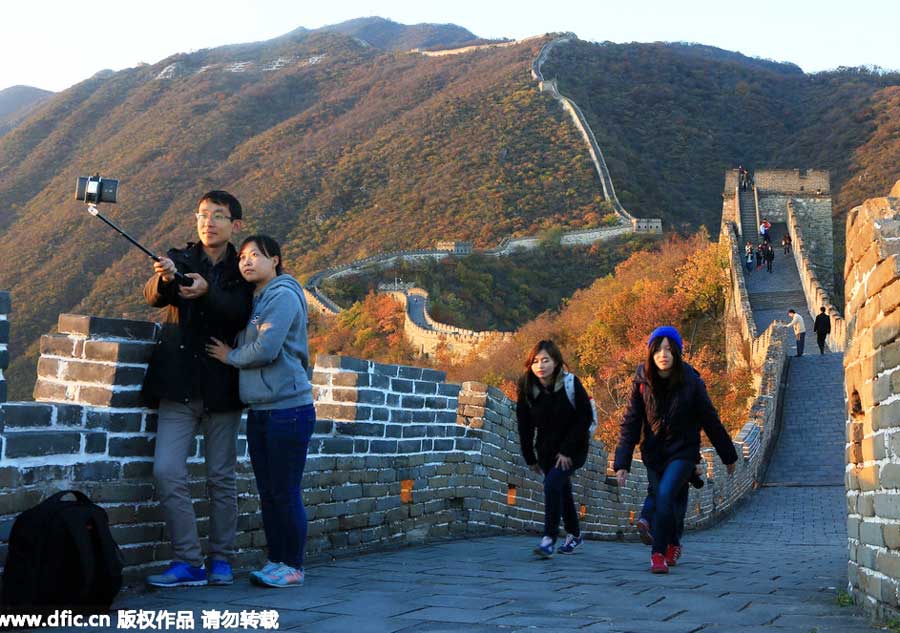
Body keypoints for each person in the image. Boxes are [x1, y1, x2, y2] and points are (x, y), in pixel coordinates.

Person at [143, 191, 253, 588]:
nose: (209, 222)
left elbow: (240, 311)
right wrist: (164, 277)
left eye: (219, 216)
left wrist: (209, 293)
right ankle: (188, 560)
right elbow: (155, 299)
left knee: (221, 477)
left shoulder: (243, 268)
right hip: (179, 382)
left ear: (234, 225)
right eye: (203, 215)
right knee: (167, 470)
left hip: (223, 386)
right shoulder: (181, 257)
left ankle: (221, 557)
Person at [207, 235, 314, 588]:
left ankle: (293, 565)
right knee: (268, 491)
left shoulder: (282, 296)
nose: (247, 261)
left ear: (276, 261)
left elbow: (266, 348)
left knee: (285, 490)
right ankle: (276, 559)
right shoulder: (259, 299)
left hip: (289, 408)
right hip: (262, 410)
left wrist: (230, 357)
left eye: (256, 255)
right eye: (242, 256)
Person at [614, 326, 737, 574]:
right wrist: (622, 463)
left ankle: (657, 553)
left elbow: (710, 420)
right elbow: (631, 422)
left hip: (683, 453)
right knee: (666, 498)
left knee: (665, 494)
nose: (663, 354)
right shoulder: (641, 382)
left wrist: (728, 455)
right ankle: (672, 543)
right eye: (658, 349)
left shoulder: (691, 381)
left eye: (669, 350)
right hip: (653, 453)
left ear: (677, 353)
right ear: (651, 353)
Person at [516, 340, 593, 558]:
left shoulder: (570, 383)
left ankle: (548, 538)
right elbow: (524, 425)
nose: (540, 365)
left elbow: (584, 418)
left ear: (556, 361)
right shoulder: (527, 387)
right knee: (561, 488)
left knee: (552, 484)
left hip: (574, 448)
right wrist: (530, 457)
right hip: (547, 451)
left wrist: (567, 451)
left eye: (546, 360)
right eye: (535, 361)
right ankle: (575, 534)